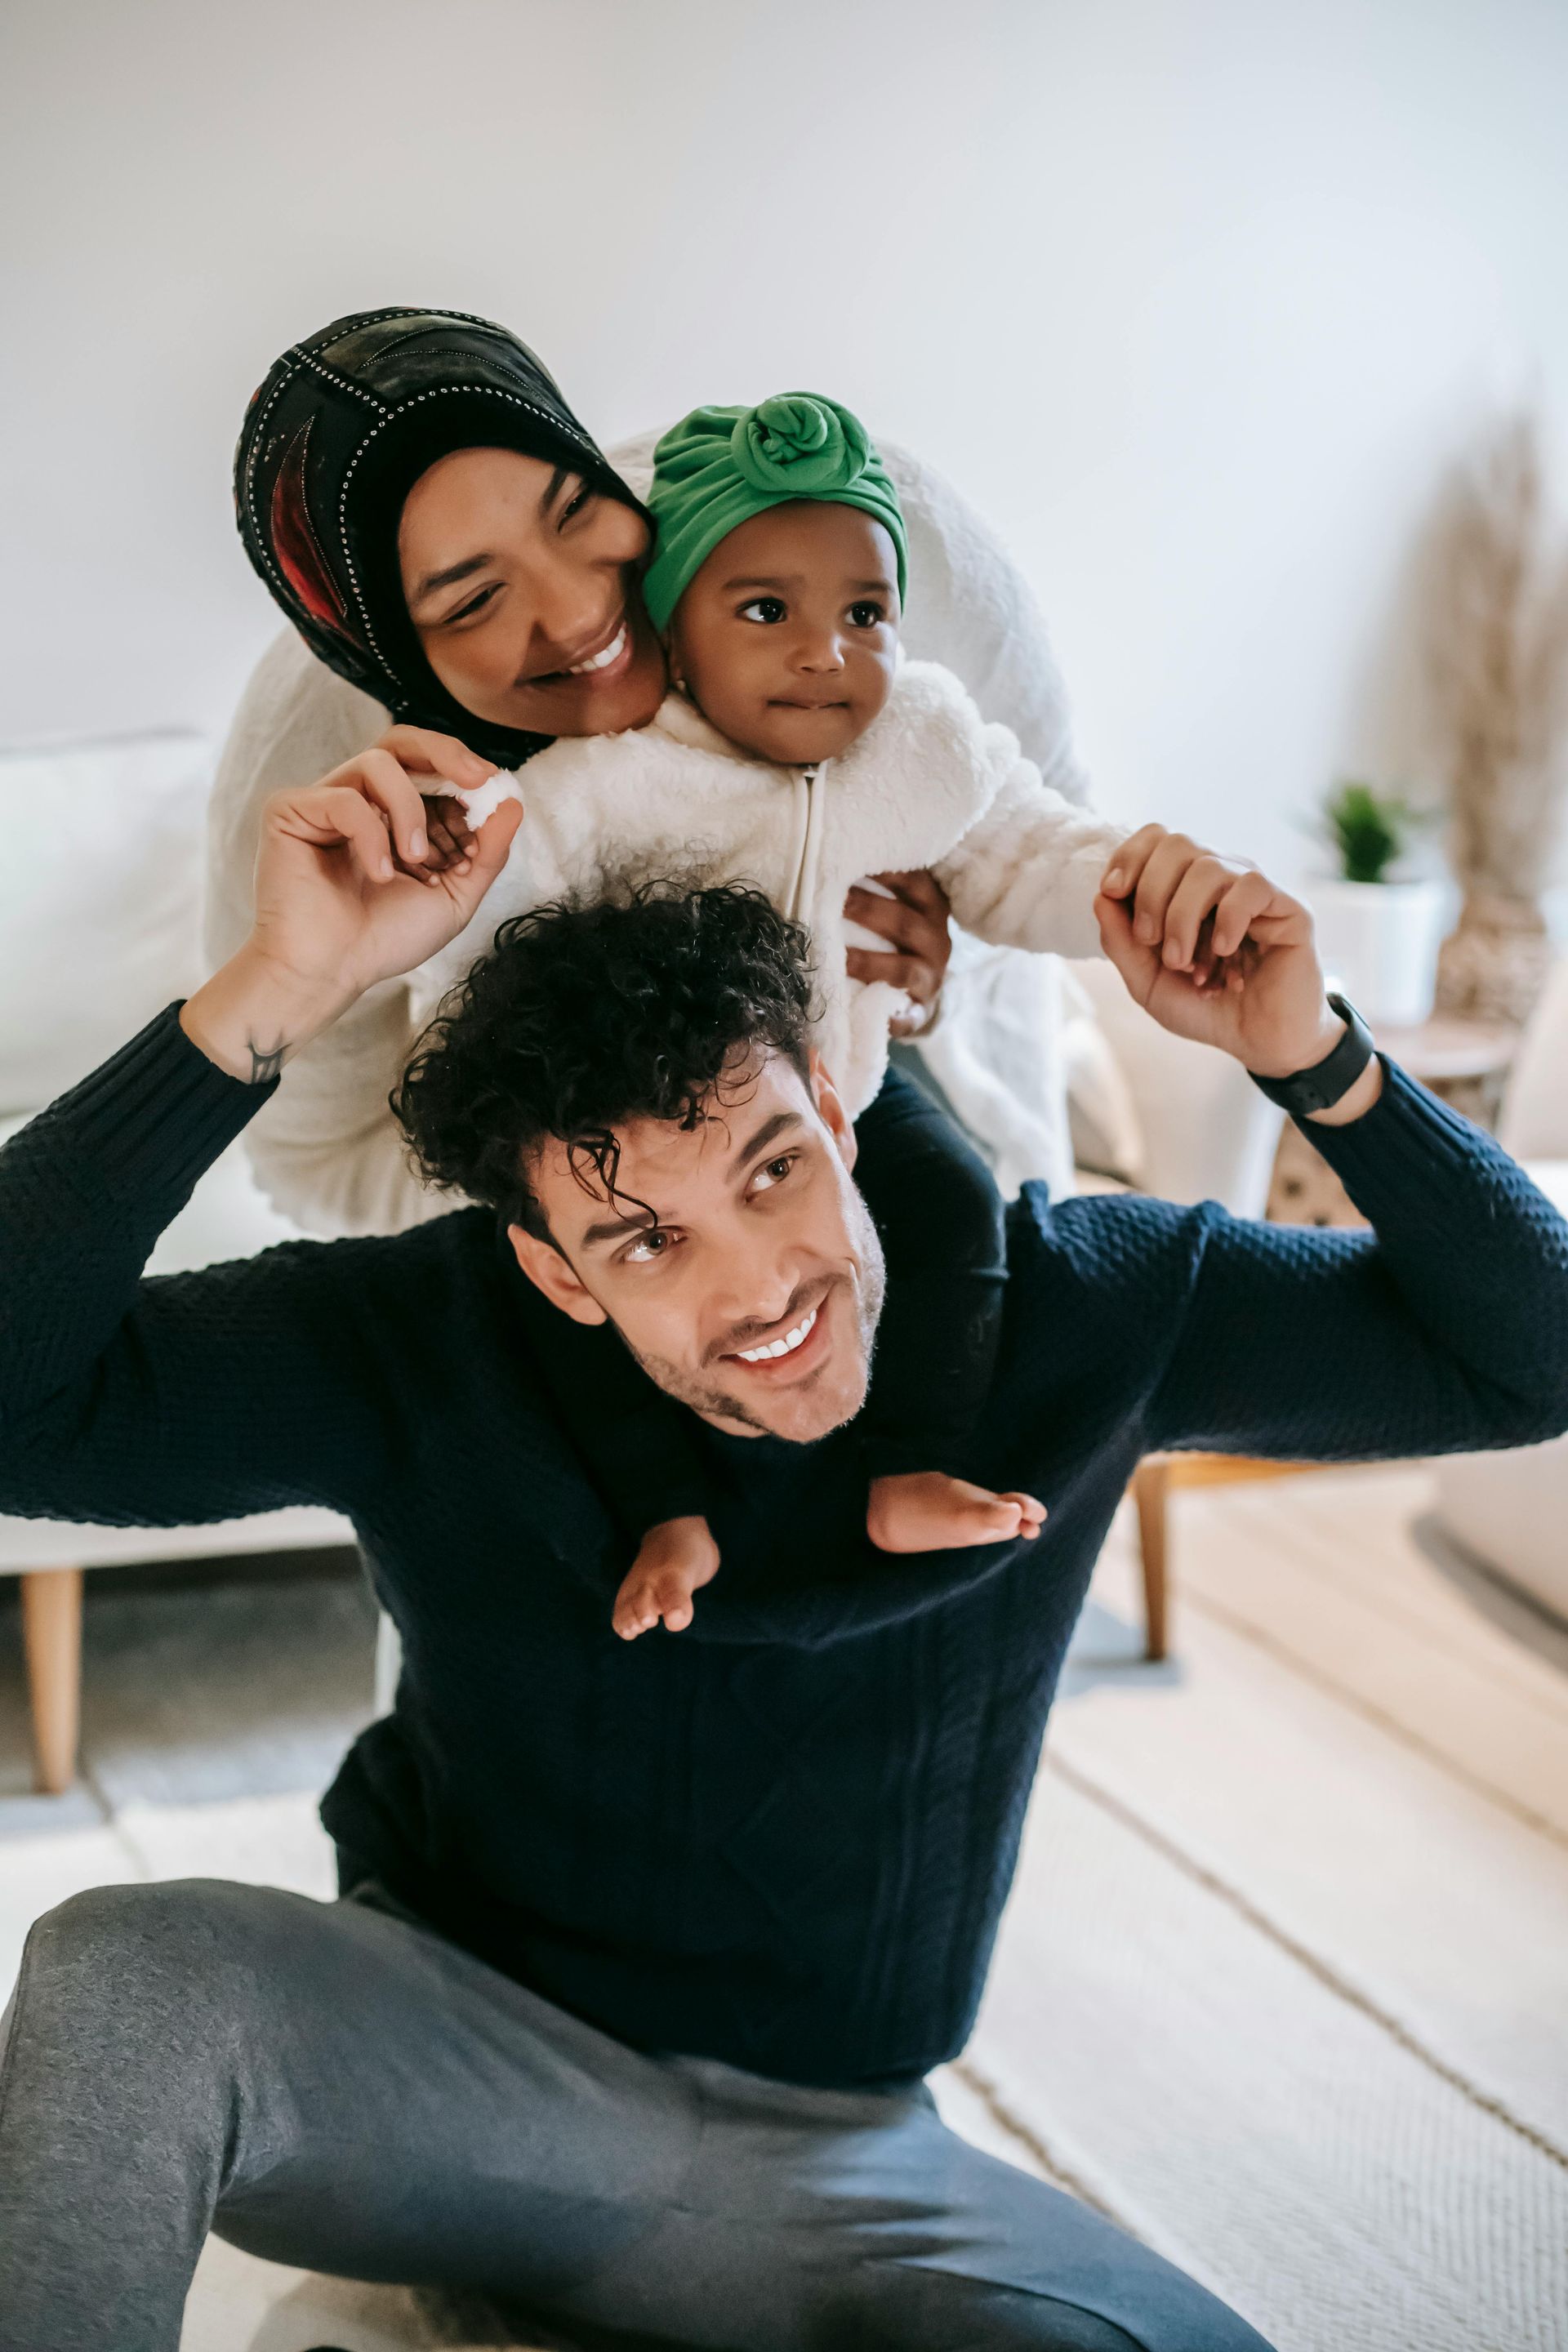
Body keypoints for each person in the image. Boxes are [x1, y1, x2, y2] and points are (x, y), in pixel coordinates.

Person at [2, 755, 1565, 2351]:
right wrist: (274, 989)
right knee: (128, 1968)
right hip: (460, 2092)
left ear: (833, 1102)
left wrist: (1313, 1057)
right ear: (550, 1267)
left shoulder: (1088, 1307)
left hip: (845, 2163)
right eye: (645, 1239)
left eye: (770, 1171)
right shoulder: (422, 1337)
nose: (760, 1288)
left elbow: (1537, 1352)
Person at [411, 388, 1126, 1630]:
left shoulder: (914, 745)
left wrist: (1147, 889)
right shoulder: (600, 785)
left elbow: (1026, 854)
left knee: (956, 1198)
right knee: (590, 1294)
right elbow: (473, 966)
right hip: (642, 1134)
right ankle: (666, 1513)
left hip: (839, 1084)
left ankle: (907, 1466)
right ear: (675, 636)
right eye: (764, 612)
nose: (824, 652)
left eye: (866, 614)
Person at [207, 305, 1097, 1245]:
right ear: (389, 659)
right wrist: (605, 1194)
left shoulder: (849, 530)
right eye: (474, 599)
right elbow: (318, 1164)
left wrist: (929, 962)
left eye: (575, 511)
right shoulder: (321, 773)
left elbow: (1045, 832)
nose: (584, 608)